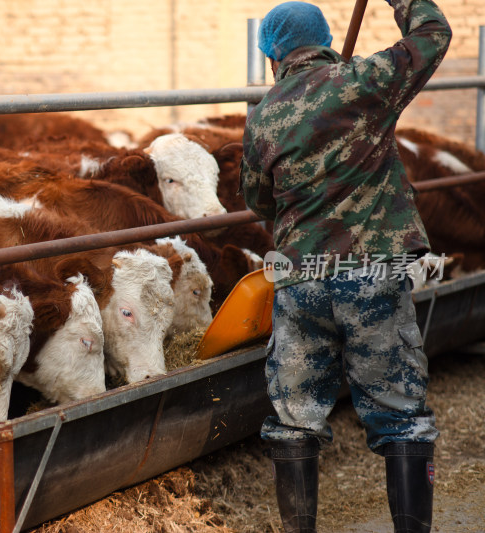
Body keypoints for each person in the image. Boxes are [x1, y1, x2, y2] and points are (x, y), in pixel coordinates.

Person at [240, 1, 452, 532]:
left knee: (295, 421)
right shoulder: (364, 82)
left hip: (299, 281)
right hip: (370, 277)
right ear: (325, 39)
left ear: (272, 54)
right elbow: (433, 33)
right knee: (401, 417)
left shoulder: (263, 114)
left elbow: (259, 202)